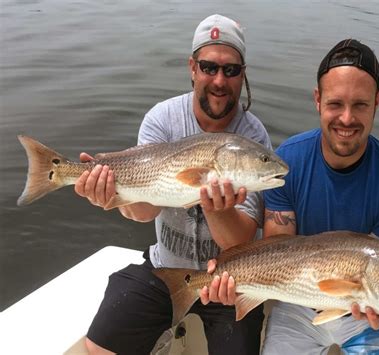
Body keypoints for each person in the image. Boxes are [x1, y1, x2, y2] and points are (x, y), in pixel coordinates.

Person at [201, 39, 379, 354]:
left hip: (366, 314)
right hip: (297, 303)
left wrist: (368, 299)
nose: (347, 119)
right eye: (335, 104)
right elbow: (278, 252)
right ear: (317, 100)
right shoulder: (287, 163)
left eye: (360, 104)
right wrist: (237, 282)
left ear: (378, 102)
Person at [75, 14, 269, 355]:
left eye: (231, 70)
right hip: (164, 268)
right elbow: (144, 209)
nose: (219, 80)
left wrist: (216, 209)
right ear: (192, 67)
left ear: (243, 74)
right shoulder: (161, 119)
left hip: (225, 281)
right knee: (98, 345)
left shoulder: (253, 139)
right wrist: (112, 196)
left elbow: (239, 240)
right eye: (209, 67)